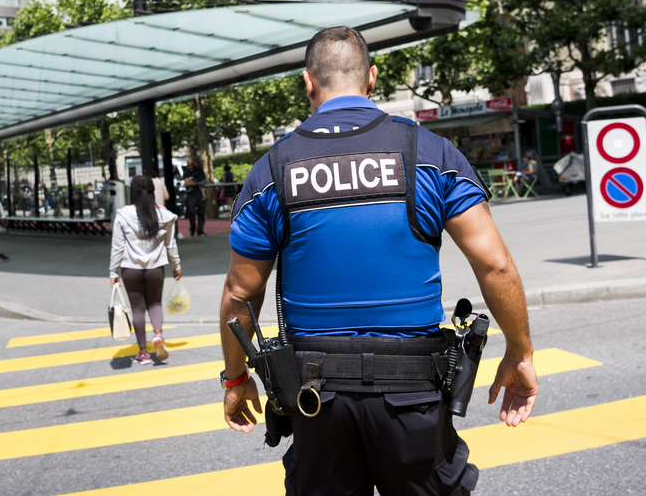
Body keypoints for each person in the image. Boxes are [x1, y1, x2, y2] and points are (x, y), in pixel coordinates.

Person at [219, 26, 538, 495]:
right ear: (372, 78)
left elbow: (240, 294)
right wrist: (520, 351)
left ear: (308, 83)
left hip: (315, 399)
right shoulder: (429, 153)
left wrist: (236, 377)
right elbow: (497, 266)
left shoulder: (271, 170)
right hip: (413, 399)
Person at [109, 175, 182, 366]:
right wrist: (177, 266)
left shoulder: (124, 214)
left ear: (132, 192)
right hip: (156, 268)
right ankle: (158, 334)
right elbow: (171, 245)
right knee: (155, 304)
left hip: (130, 269)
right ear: (153, 192)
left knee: (138, 309)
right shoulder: (164, 215)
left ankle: (143, 352)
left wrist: (113, 272)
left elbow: (117, 247)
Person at [183, 157, 207, 237]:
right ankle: (193, 229)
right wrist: (198, 183)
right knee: (192, 212)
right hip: (191, 196)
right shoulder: (186, 172)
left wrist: (192, 182)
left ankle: (200, 231)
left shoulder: (198, 171)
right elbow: (187, 183)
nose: (190, 166)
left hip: (199, 195)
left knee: (201, 213)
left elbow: (204, 181)